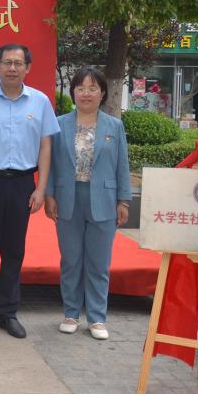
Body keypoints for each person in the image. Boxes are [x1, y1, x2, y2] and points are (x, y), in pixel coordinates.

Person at [0, 43, 59, 338]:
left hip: (21, 184)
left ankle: (8, 313)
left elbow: (45, 147)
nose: (12, 68)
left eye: (18, 63)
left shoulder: (40, 102)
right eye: (7, 63)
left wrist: (40, 188)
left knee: (14, 251)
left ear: (27, 68)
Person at [45, 67, 131, 340]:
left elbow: (122, 165)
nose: (86, 93)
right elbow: (50, 164)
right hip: (68, 198)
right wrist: (49, 195)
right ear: (73, 92)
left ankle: (96, 318)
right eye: (81, 88)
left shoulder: (114, 126)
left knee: (98, 262)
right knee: (71, 260)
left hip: (104, 200)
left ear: (102, 93)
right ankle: (71, 313)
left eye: (93, 88)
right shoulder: (59, 124)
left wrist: (124, 200)